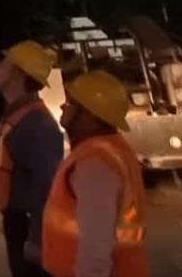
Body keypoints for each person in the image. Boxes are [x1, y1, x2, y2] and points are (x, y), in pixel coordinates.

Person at [42, 70, 148, 277]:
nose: (64, 106)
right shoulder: (110, 150)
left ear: (89, 115)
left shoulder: (95, 163)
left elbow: (96, 247)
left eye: (72, 103)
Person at [0, 40, 66, 277]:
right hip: (18, 222)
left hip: (29, 226)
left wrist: (37, 240)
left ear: (18, 72)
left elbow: (49, 189)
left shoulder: (37, 125)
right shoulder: (19, 116)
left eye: (4, 61)